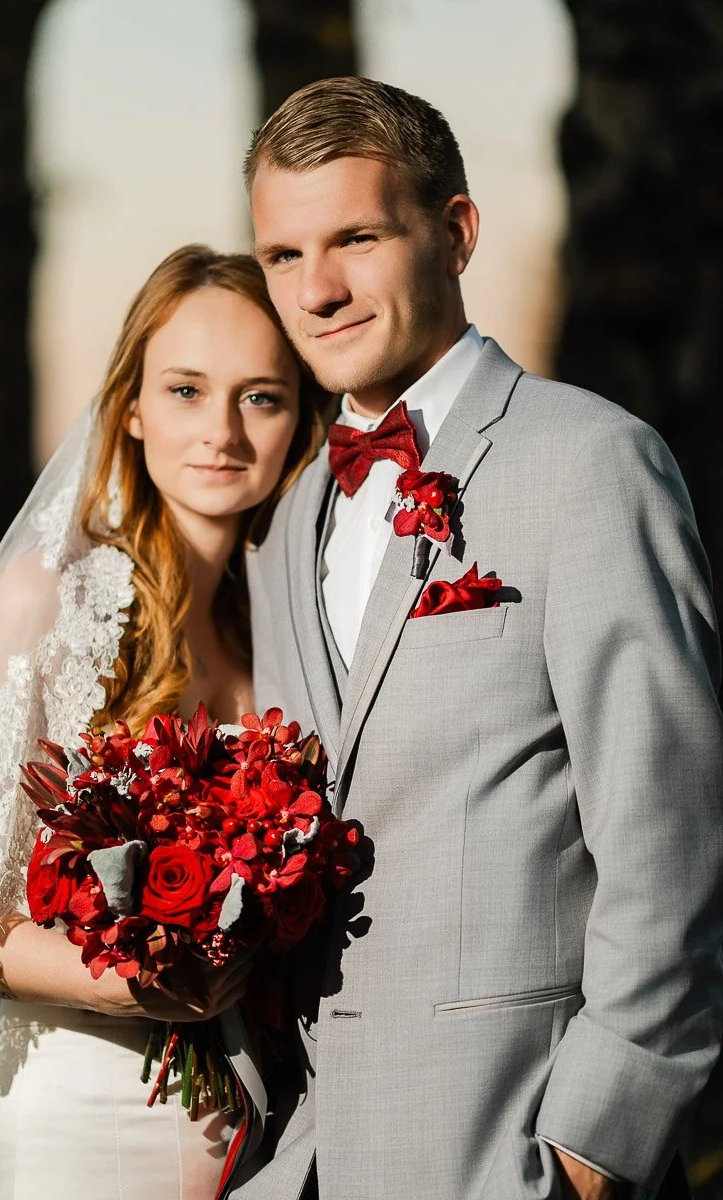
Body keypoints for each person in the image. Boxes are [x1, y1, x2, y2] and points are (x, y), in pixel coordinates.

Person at [234, 77, 723, 1200]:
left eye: (355, 237)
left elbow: (669, 841)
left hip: (509, 1155)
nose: (316, 291)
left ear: (453, 234)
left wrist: (587, 1152)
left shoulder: (589, 464)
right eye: (281, 255)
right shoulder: (286, 515)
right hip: (307, 1161)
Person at [0, 244, 329, 1200]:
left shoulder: (286, 636)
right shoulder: (45, 605)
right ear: (133, 405)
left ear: (298, 419)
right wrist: (118, 977)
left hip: (260, 1136)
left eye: (261, 396)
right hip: (83, 1123)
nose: (222, 431)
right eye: (187, 390)